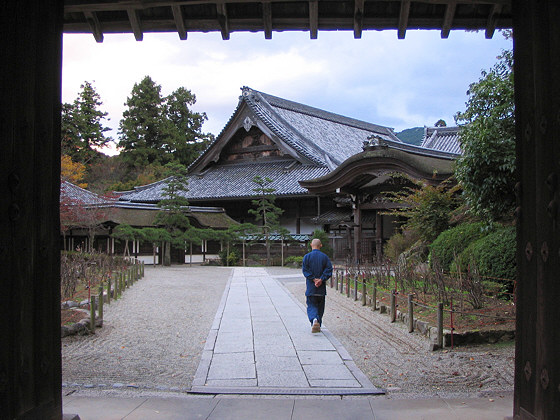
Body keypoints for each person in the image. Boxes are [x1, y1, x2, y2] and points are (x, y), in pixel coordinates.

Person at [302, 238, 333, 333]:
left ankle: (314, 319)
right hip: (321, 288)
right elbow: (329, 270)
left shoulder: (307, 257)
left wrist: (313, 279)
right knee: (320, 307)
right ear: (321, 245)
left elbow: (305, 270)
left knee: (311, 305)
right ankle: (318, 322)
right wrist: (321, 279)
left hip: (311, 287)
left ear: (311, 245)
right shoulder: (325, 257)